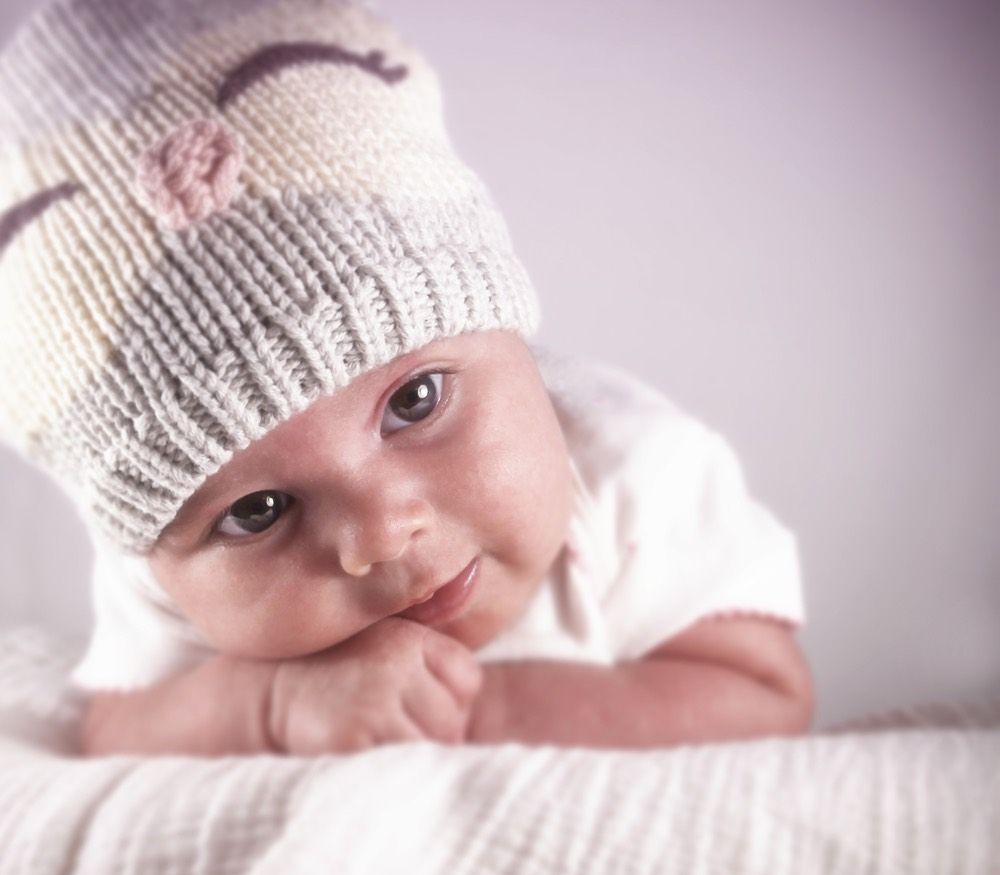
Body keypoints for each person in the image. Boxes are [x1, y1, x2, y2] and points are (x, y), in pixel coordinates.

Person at [0, 0, 812, 756]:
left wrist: (474, 713)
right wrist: (269, 705)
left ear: (509, 335)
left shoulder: (635, 471)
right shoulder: (161, 585)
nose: (383, 533)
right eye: (258, 511)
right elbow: (116, 727)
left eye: (414, 402)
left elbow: (765, 692)